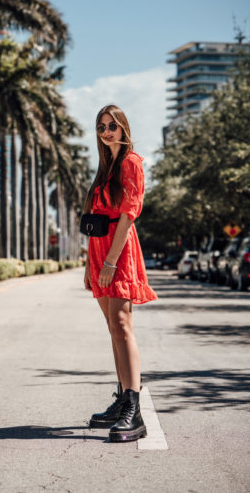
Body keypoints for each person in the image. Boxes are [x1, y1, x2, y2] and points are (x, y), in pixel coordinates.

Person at [83, 104, 158, 443]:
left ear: (123, 127)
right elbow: (95, 216)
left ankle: (134, 408)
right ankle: (121, 398)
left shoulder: (130, 163)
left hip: (119, 249)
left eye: (112, 125)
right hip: (99, 250)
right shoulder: (106, 167)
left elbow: (128, 216)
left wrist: (111, 262)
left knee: (123, 325)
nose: (106, 131)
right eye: (101, 126)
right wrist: (93, 263)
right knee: (113, 327)